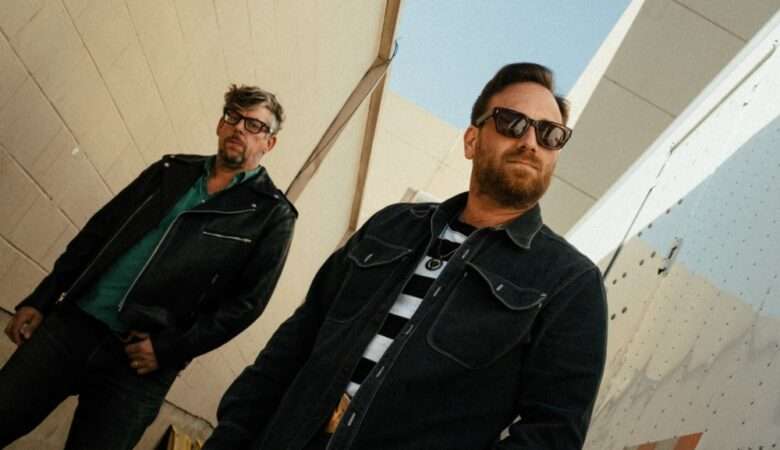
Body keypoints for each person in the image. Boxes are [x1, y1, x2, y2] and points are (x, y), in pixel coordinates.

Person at [204, 63, 607, 450]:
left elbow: (552, 434)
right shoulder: (392, 225)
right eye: (512, 122)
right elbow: (295, 341)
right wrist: (231, 436)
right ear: (472, 140)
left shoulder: (570, 283)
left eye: (550, 134)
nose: (530, 142)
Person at [0, 84, 297, 450]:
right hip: (71, 327)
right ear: (220, 125)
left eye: (254, 125)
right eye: (233, 117)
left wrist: (169, 349)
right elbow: (98, 233)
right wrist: (42, 298)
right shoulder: (170, 170)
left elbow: (246, 304)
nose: (239, 128)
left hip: (139, 364)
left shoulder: (271, 216)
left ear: (270, 143)